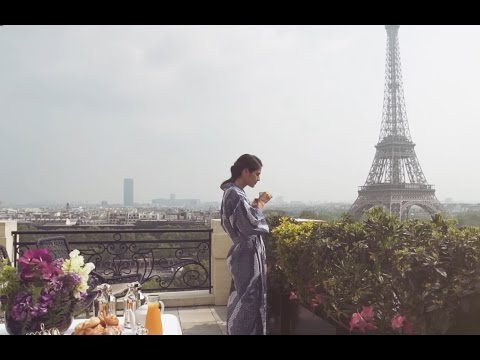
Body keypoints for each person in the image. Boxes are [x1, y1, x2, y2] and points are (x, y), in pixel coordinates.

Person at [220, 154, 272, 335]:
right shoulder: (234, 193)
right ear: (245, 171)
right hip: (247, 256)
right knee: (248, 302)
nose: (258, 178)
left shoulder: (234, 193)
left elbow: (243, 217)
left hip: (246, 253)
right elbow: (249, 224)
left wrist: (255, 205)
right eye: (257, 174)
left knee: (246, 300)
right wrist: (262, 203)